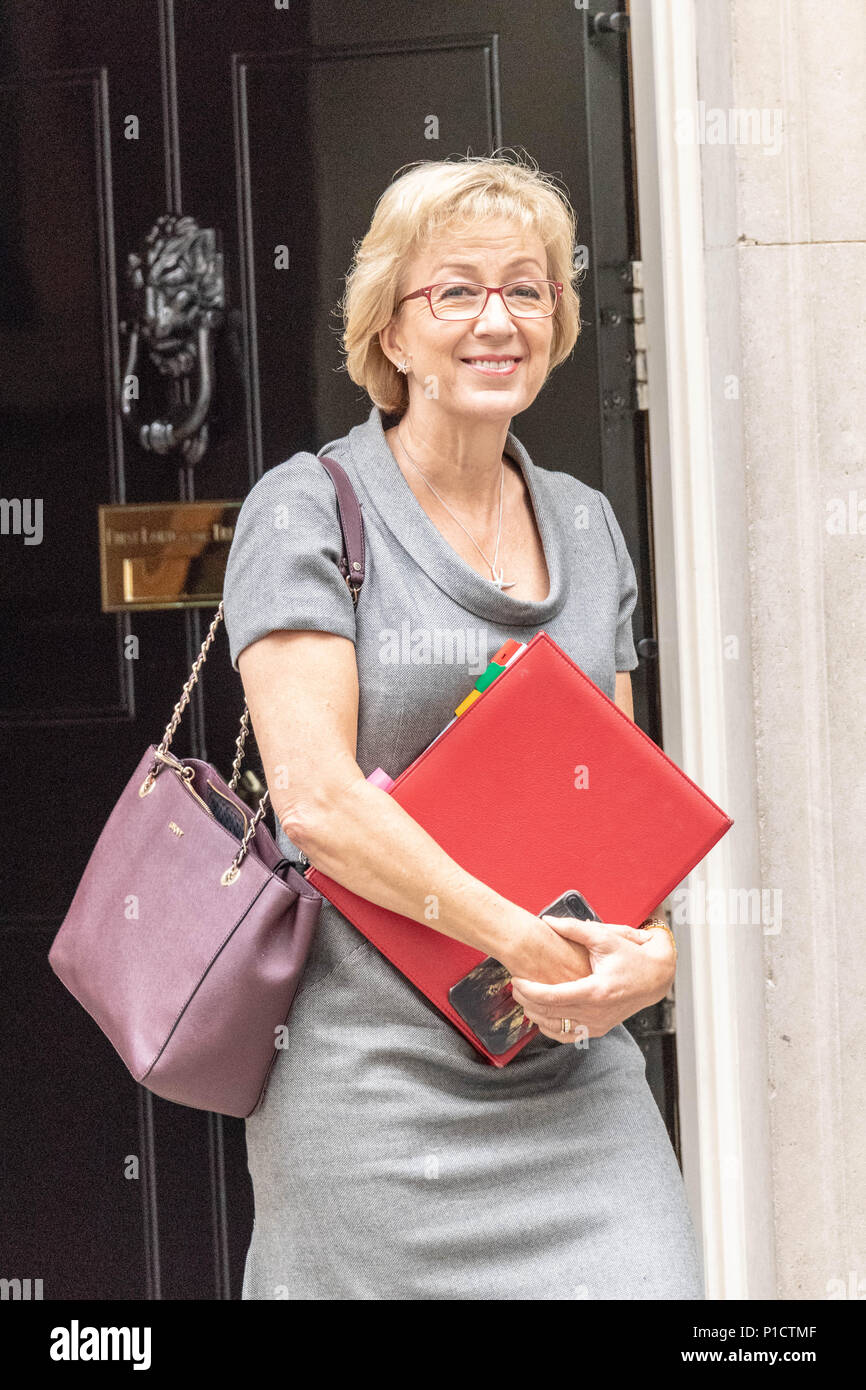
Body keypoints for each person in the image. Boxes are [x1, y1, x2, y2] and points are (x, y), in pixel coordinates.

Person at [222, 152, 704, 1300]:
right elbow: (320, 807)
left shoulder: (585, 525)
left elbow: (626, 820)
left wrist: (651, 958)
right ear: (390, 332)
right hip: (371, 1095)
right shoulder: (305, 509)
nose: (498, 320)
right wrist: (520, 941)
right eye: (455, 291)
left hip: (575, 1091)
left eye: (526, 290)